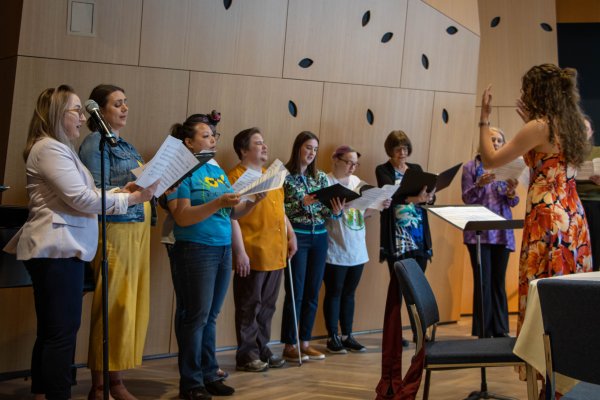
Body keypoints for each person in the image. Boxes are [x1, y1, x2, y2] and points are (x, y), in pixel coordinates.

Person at [3, 85, 156, 400]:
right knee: (61, 332)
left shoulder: (60, 148)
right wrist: (130, 199)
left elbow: (86, 195)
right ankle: (56, 394)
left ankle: (44, 393)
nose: (83, 117)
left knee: (54, 331)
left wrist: (121, 192)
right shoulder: (49, 149)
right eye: (76, 109)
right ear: (59, 113)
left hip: (63, 249)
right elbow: (80, 198)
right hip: (57, 249)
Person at [479, 63, 592, 341]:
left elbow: (490, 159)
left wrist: (484, 119)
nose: (523, 93)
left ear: (538, 92)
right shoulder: (579, 124)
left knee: (543, 285)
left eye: (526, 89)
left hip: (547, 213)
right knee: (569, 286)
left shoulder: (538, 126)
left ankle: (545, 367)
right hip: (573, 213)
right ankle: (571, 363)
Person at [167, 113, 263, 400]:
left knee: (210, 316)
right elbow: (182, 217)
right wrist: (217, 202)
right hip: (194, 248)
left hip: (221, 247)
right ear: (188, 141)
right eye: (205, 135)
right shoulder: (179, 169)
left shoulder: (215, 168)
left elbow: (231, 212)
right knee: (194, 316)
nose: (212, 139)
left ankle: (209, 374)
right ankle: (191, 382)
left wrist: (252, 202)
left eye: (213, 135)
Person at [79, 84, 154, 400]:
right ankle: (101, 385)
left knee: (130, 307)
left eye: (126, 103)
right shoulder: (94, 144)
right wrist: (132, 189)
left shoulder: (124, 143)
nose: (124, 108)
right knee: (112, 306)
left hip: (137, 228)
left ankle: (117, 378)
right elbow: (94, 188)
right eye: (117, 104)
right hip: (114, 229)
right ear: (100, 110)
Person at [227, 127, 297, 372]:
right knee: (249, 304)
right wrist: (240, 252)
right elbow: (230, 216)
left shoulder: (271, 174)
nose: (264, 146)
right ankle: (247, 354)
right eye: (258, 143)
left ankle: (262, 347)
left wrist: (291, 233)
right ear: (244, 150)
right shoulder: (234, 176)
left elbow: (281, 209)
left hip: (275, 251)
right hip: (253, 250)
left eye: (264, 142)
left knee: (268, 306)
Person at [280, 131, 344, 362]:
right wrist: (301, 202)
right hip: (296, 235)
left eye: (315, 149)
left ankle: (305, 342)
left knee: (312, 291)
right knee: (295, 292)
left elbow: (327, 212)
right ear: (298, 147)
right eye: (308, 147)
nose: (311, 153)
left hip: (319, 237)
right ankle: (290, 344)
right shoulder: (285, 176)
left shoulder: (321, 178)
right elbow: (279, 210)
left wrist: (336, 212)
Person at [323, 145, 390, 354]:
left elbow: (364, 213)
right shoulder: (326, 181)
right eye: (348, 162)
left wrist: (379, 205)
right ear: (336, 159)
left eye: (355, 163)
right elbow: (321, 212)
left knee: (350, 294)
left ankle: (348, 335)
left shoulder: (358, 183)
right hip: (335, 247)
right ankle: (332, 336)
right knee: (334, 293)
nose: (352, 167)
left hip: (356, 247)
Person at [461, 127, 519, 338]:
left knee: (498, 281)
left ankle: (501, 329)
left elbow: (512, 201)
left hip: (502, 232)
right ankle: (484, 330)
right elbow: (467, 198)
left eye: (499, 140)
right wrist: (479, 184)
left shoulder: (507, 167)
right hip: (479, 233)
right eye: (491, 139)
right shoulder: (471, 166)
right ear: (483, 143)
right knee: (483, 281)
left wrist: (512, 192)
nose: (495, 143)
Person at [576, 117, 600, 271]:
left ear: (591, 132)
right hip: (575, 203)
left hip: (596, 203)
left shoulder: (598, 151)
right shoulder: (565, 153)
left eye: (585, 128)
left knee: (596, 245)